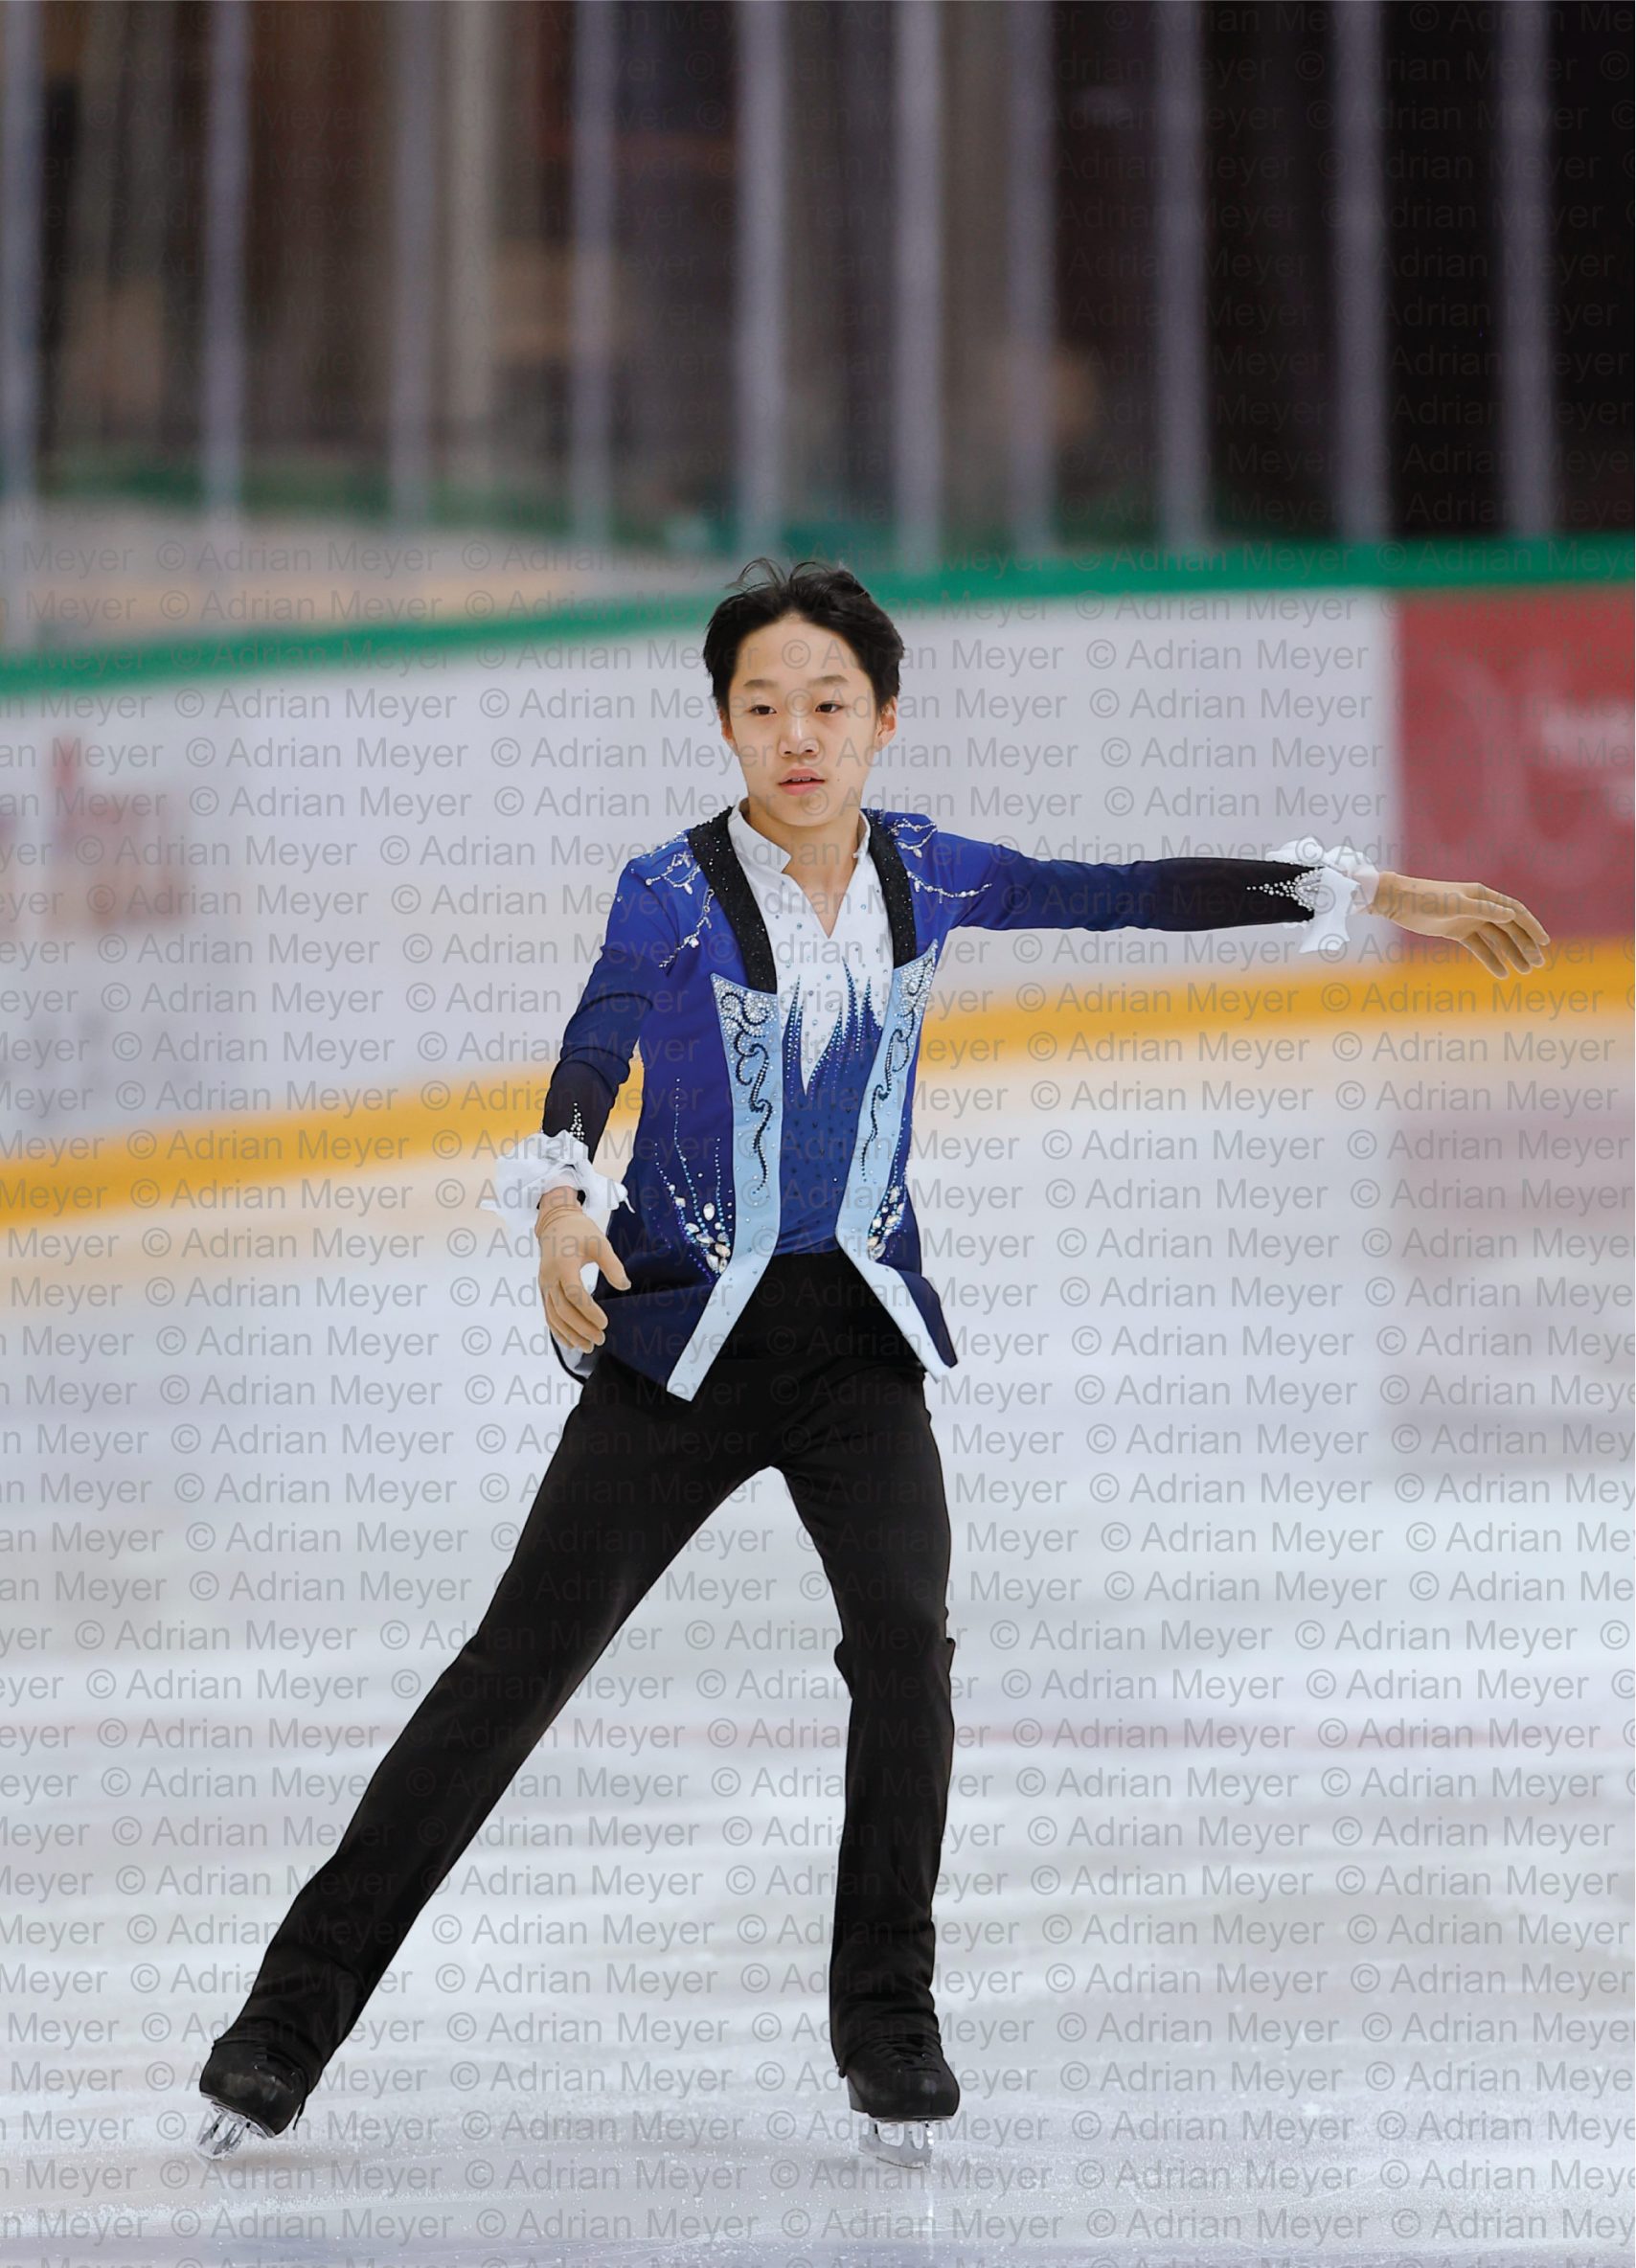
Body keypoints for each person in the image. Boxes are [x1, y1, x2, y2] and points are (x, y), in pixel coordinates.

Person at [198, 557, 1550, 2166]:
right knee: (513, 1674)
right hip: (682, 1337)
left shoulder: (933, 872)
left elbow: (1123, 890)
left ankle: (887, 2025)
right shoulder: (670, 888)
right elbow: (593, 1044)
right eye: (762, 705)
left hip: (859, 1345)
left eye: (828, 703)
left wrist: (1372, 893)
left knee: (904, 1651)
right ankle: (284, 2026)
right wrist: (561, 1195)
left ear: (884, 720)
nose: (797, 734)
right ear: (724, 724)